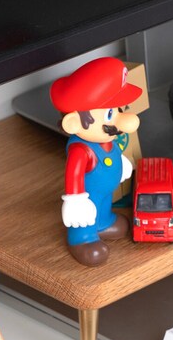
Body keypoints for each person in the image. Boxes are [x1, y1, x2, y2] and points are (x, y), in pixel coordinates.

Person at [49, 57, 142, 266]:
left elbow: (113, 152)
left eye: (118, 110)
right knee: (85, 217)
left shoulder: (105, 139)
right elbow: (73, 175)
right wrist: (75, 201)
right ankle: (82, 239)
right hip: (86, 196)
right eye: (110, 113)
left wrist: (122, 165)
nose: (121, 119)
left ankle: (103, 223)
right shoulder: (81, 150)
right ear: (74, 122)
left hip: (104, 192)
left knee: (102, 205)